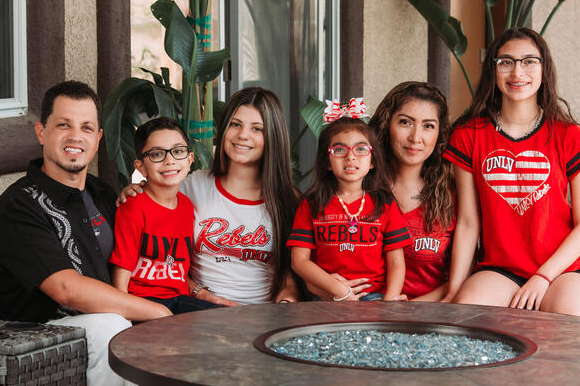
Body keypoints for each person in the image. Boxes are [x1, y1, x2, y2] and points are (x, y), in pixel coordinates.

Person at [441, 28, 580, 386]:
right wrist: (453, 289)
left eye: (529, 62)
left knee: (570, 323)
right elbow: (468, 223)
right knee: (467, 316)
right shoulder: (469, 135)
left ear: (544, 70)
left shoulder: (567, 134)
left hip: (563, 265)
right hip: (502, 265)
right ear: (493, 71)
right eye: (506, 62)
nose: (518, 72)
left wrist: (544, 275)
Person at [0, 80, 165, 386]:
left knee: (184, 324)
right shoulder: (19, 204)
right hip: (37, 332)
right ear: (42, 132)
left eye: (86, 127)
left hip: (109, 316)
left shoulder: (103, 193)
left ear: (99, 137)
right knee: (109, 326)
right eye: (63, 125)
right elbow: (65, 288)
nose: (76, 136)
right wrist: (156, 313)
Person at [120, 86, 304, 306]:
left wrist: (286, 304)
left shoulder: (289, 201)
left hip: (262, 317)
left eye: (257, 129)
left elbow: (291, 280)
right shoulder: (193, 186)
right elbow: (160, 256)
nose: (243, 135)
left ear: (273, 136)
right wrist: (135, 188)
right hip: (197, 313)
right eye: (235, 124)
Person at [109, 116, 219, 386]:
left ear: (190, 159)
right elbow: (120, 282)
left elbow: (179, 272)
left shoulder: (186, 207)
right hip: (145, 306)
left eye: (177, 151)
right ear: (140, 166)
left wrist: (205, 296)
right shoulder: (133, 207)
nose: (169, 160)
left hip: (178, 302)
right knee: (181, 353)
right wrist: (125, 325)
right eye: (156, 154)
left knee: (236, 326)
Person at [288, 105, 411, 301]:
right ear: (327, 162)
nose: (350, 156)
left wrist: (391, 300)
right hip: (327, 294)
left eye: (361, 149)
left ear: (372, 162)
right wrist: (339, 290)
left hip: (374, 296)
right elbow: (299, 261)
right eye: (339, 149)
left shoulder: (385, 203)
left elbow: (396, 261)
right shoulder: (312, 203)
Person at [370, 82, 455, 301]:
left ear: (440, 134)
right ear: (387, 123)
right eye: (405, 122)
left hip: (429, 314)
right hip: (360, 311)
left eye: (428, 126)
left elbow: (463, 275)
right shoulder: (358, 184)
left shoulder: (451, 196)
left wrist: (410, 310)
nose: (415, 137)